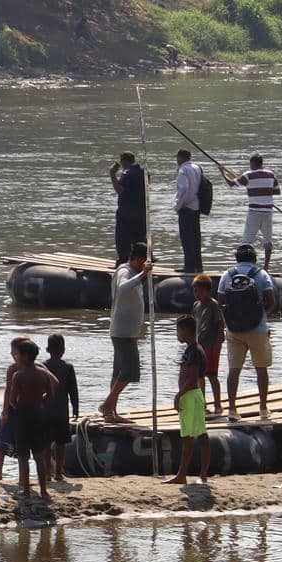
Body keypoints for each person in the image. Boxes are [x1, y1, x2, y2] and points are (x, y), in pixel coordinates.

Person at [219, 245, 276, 420]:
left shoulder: (227, 275)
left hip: (234, 330)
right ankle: (263, 408)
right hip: (258, 330)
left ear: (236, 258)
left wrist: (230, 321)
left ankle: (232, 409)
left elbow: (221, 302)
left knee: (234, 370)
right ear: (255, 258)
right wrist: (260, 317)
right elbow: (271, 302)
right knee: (261, 369)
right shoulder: (262, 275)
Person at [98, 243, 152, 421]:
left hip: (127, 331)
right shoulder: (124, 271)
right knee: (129, 371)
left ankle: (111, 412)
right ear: (138, 260)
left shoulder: (133, 273)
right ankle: (107, 404)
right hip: (123, 332)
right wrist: (143, 274)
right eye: (144, 262)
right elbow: (122, 287)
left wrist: (142, 274)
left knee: (118, 371)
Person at [1, 337, 57, 506]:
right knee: (39, 456)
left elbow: (12, 400)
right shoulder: (43, 373)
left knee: (23, 457)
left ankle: (26, 491)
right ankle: (44, 491)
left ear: (25, 356)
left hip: (23, 417)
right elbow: (51, 396)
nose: (15, 357)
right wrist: (39, 403)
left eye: (17, 354)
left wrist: (19, 405)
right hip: (38, 415)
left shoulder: (18, 375)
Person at [165, 315, 211, 485]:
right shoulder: (190, 349)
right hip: (188, 396)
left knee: (200, 435)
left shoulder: (195, 351)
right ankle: (182, 475)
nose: (177, 334)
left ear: (185, 331)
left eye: (178, 330)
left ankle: (202, 476)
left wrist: (179, 395)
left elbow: (192, 379)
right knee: (187, 436)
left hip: (191, 395)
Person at [223, 155, 279, 270]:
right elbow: (277, 191)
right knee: (268, 240)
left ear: (252, 164)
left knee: (247, 240)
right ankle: (266, 267)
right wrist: (265, 191)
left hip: (254, 211)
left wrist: (222, 171)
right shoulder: (271, 174)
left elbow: (230, 183)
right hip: (268, 211)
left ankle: (245, 266)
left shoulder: (248, 175)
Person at [40, 334, 80, 488]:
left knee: (45, 443)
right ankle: (58, 472)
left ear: (47, 349)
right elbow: (73, 390)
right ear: (63, 350)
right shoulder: (68, 367)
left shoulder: (42, 366)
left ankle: (47, 473)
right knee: (61, 443)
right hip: (61, 411)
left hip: (45, 411)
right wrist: (76, 407)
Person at [190, 274, 225, 413]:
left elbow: (220, 325)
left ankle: (218, 404)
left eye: (200, 291)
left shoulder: (213, 305)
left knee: (212, 376)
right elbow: (193, 324)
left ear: (208, 291)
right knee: (199, 377)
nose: (197, 294)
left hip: (211, 346)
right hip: (199, 346)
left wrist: (218, 345)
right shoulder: (196, 306)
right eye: (195, 291)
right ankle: (202, 404)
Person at [110, 153, 146, 265]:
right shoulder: (143, 172)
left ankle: (123, 260)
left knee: (122, 238)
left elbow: (119, 189)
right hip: (141, 211)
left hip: (126, 212)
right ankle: (144, 259)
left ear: (124, 161)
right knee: (139, 237)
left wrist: (112, 174)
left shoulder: (127, 173)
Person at [173, 149, 204, 272]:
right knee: (196, 239)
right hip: (196, 207)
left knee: (186, 239)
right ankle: (198, 266)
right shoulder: (197, 168)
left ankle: (189, 267)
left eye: (177, 158)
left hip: (186, 208)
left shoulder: (183, 170)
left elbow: (184, 188)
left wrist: (178, 205)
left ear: (181, 158)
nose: (177, 160)